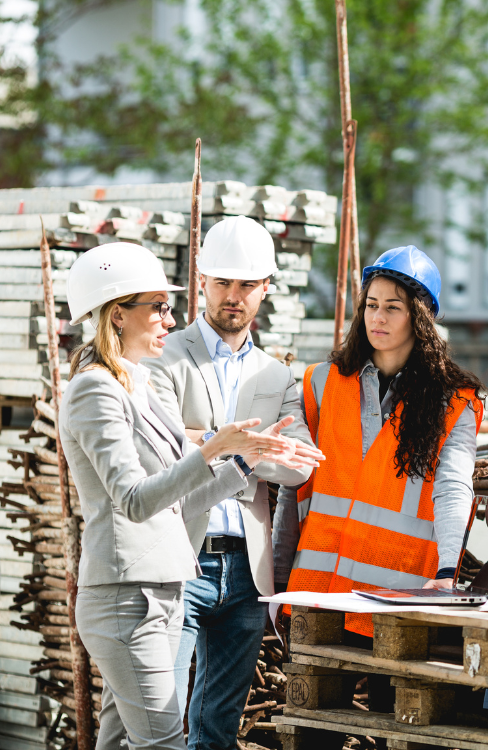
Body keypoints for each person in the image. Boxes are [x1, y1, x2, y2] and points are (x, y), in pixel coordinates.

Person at [60, 243, 309, 750]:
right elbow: (132, 500)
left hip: (160, 591)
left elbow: (176, 503)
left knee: (118, 742)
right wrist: (214, 446)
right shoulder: (94, 390)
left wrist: (243, 460)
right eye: (158, 306)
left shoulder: (135, 386)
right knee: (164, 743)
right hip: (128, 597)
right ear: (116, 315)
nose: (170, 320)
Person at [144, 217, 323, 750]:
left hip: (247, 570)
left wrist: (214, 443)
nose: (233, 296)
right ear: (202, 281)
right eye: (223, 282)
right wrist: (245, 445)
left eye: (246, 284)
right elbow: (156, 448)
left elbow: (299, 465)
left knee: (218, 727)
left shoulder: (276, 376)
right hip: (179, 556)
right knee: (162, 718)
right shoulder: (164, 357)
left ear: (266, 288)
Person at [279, 245, 482, 689]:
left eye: (393, 307)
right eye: (372, 305)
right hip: (317, 593)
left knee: (390, 726)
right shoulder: (321, 382)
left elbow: (453, 488)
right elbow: (292, 489)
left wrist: (448, 571)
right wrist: (276, 585)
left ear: (422, 316)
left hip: (395, 602)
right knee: (315, 732)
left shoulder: (454, 399)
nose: (378, 318)